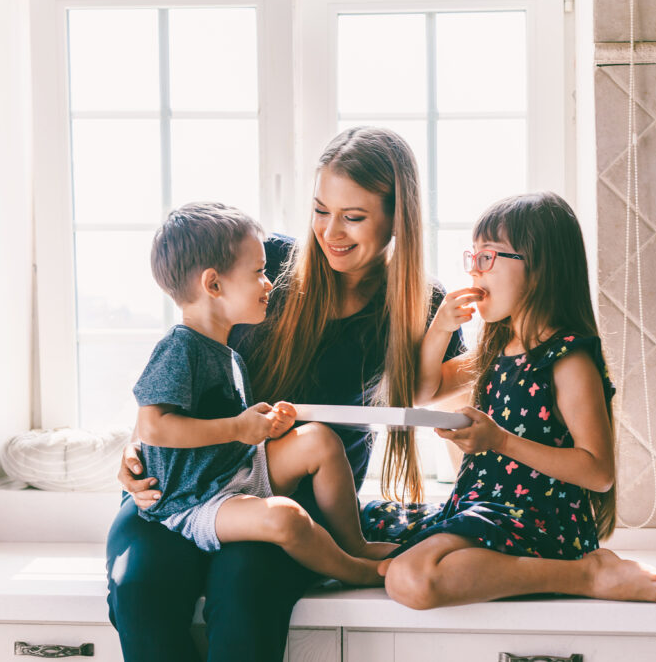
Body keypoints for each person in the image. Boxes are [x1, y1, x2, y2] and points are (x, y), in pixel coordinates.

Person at [107, 127, 463, 661]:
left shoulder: (423, 305)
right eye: (321, 210)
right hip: (181, 486)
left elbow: (454, 415)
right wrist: (138, 447)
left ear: (397, 217)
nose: (331, 232)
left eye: (354, 216)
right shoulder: (263, 262)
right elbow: (180, 368)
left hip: (294, 501)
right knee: (140, 593)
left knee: (244, 596)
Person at [365, 192, 656, 609]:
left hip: (536, 522)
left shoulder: (566, 358)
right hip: (482, 512)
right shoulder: (494, 351)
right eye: (472, 256)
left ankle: (585, 574)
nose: (474, 270)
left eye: (488, 257)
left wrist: (500, 441)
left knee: (410, 578)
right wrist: (440, 329)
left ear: (537, 268)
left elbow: (598, 472)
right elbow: (421, 393)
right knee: (367, 526)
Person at [131, 201, 395, 587]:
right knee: (285, 518)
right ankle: (358, 572)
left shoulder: (227, 352)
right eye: (258, 273)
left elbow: (221, 419)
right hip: (195, 501)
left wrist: (263, 423)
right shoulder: (180, 347)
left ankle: (354, 542)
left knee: (319, 438)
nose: (270, 283)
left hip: (233, 470)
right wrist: (238, 428)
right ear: (214, 285)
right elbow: (153, 426)